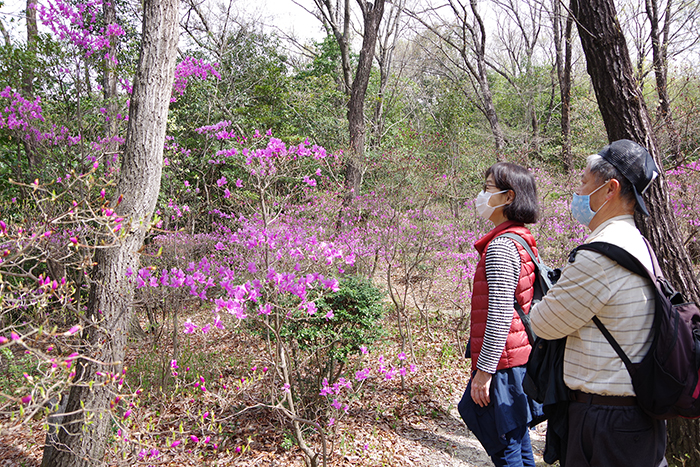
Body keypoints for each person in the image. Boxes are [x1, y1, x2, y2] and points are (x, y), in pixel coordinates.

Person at [529, 139, 667, 467]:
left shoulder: (601, 255)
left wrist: (536, 305)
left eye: (583, 182)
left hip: (606, 421)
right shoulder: (640, 244)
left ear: (609, 189)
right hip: (636, 418)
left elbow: (544, 322)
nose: (577, 191)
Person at [458, 162, 542, 467]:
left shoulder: (501, 247)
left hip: (504, 364)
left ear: (508, 197)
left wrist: (485, 372)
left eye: (487, 188)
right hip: (516, 359)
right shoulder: (520, 239)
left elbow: (500, 313)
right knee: (517, 443)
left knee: (507, 449)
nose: (481, 194)